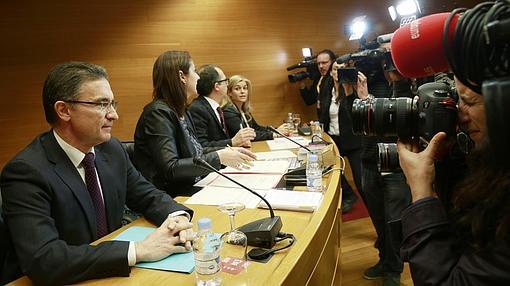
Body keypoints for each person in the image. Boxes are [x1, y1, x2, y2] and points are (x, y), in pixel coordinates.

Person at [0, 62, 195, 285]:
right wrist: (138, 251)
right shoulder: (26, 172)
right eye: (102, 104)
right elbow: (44, 260)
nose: (114, 115)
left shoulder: (111, 149)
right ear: (64, 110)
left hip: (110, 275)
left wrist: (177, 219)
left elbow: (147, 195)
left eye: (112, 103)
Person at [397, 78, 510, 285]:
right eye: (457, 100)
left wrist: (421, 191)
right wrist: (446, 156)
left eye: (469, 101)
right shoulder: (495, 163)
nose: (459, 115)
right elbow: (465, 237)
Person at [133, 51, 256, 197]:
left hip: (194, 185)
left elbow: (196, 151)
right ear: (181, 76)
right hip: (172, 196)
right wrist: (219, 157)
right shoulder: (157, 113)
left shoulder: (181, 110)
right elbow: (170, 168)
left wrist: (228, 151)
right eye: (194, 70)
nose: (198, 77)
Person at [345, 53, 412, 286]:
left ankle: (394, 270)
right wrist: (353, 97)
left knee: (394, 221)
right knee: (378, 218)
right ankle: (384, 260)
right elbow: (355, 124)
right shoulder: (369, 84)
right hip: (369, 161)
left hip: (394, 164)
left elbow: (398, 126)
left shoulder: (407, 87)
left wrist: (367, 100)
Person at [189, 65, 256, 148]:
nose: (227, 84)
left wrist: (238, 142)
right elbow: (202, 146)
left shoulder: (215, 107)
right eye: (225, 80)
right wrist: (232, 142)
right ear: (217, 86)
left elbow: (219, 139)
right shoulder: (197, 109)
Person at [223, 75, 285, 141]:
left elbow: (256, 128)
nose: (242, 91)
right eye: (237, 89)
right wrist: (273, 135)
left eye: (245, 88)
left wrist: (275, 131)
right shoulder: (228, 111)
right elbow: (246, 135)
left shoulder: (244, 110)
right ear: (229, 93)